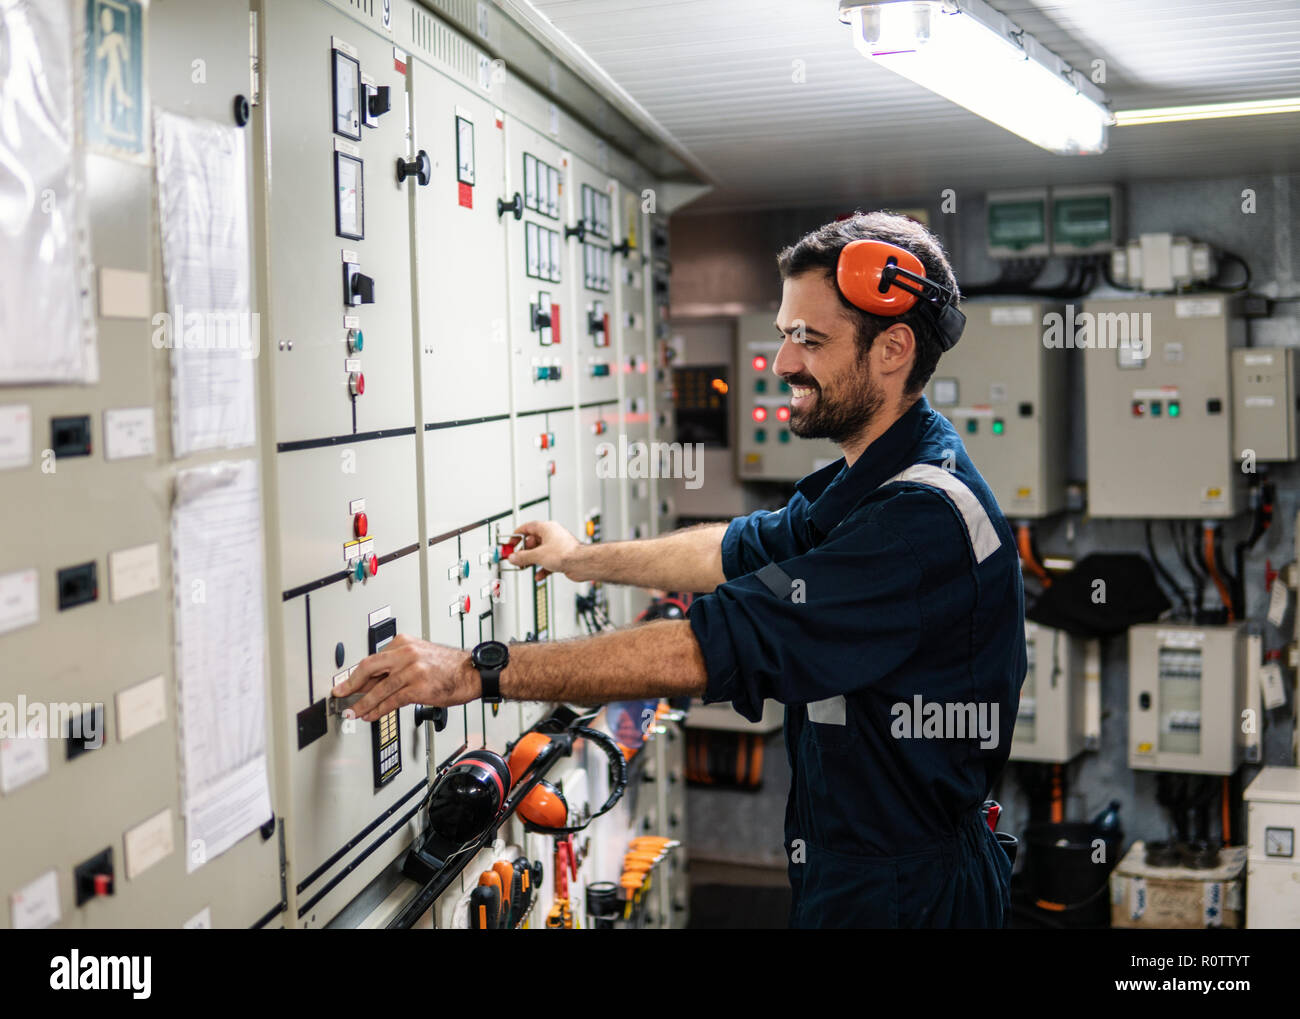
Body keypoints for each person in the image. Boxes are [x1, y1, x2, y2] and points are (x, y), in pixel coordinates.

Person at [333, 211, 1026, 928]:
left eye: (809, 339)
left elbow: (705, 646)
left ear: (893, 348)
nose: (785, 363)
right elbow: (731, 550)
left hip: (913, 898)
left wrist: (474, 670)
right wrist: (579, 559)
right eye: (786, 333)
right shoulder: (875, 478)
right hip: (858, 872)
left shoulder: (919, 521)